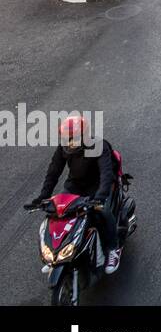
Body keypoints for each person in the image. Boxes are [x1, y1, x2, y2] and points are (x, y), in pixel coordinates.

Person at [28, 116, 122, 273]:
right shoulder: (63, 148)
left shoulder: (99, 145)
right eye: (66, 138)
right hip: (75, 186)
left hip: (98, 187)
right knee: (58, 213)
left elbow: (106, 174)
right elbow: (53, 172)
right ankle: (57, 253)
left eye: (73, 138)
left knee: (102, 211)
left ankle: (113, 249)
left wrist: (100, 197)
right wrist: (43, 196)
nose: (69, 142)